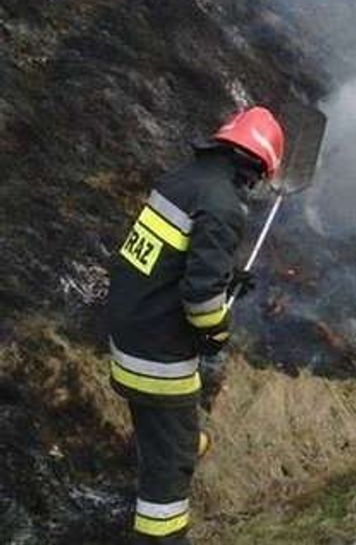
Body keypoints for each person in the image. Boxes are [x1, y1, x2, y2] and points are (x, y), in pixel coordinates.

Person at [106, 107, 284, 544]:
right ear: (257, 167)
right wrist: (217, 330)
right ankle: (161, 536)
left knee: (171, 440)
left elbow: (162, 263)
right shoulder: (223, 205)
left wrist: (223, 279)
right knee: (170, 475)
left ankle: (180, 447)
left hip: (130, 335)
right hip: (159, 361)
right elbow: (202, 304)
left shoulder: (180, 181)